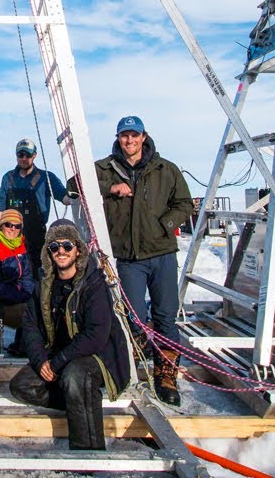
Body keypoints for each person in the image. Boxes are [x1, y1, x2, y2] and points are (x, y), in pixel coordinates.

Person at [93, 115, 194, 407]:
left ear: (144, 137)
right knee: (133, 317)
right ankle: (132, 370)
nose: (130, 141)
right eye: (125, 136)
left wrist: (165, 224)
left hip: (161, 253)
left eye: (134, 135)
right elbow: (74, 186)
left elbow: (185, 203)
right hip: (128, 257)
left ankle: (165, 375)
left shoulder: (165, 169)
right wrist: (110, 189)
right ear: (118, 137)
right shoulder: (104, 169)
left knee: (165, 315)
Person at [10, 219, 130, 450]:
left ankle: (88, 452)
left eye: (67, 246)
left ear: (78, 250)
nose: (61, 252)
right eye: (54, 247)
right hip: (61, 353)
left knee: (74, 376)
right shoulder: (44, 284)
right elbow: (31, 325)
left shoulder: (93, 283)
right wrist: (40, 360)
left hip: (97, 355)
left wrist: (58, 363)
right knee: (22, 385)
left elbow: (96, 334)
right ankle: (80, 401)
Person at [0, 138, 71, 278]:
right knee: (11, 273)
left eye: (28, 155)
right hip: (11, 235)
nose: (24, 158)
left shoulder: (46, 177)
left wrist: (76, 192)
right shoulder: (8, 177)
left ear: (34, 155)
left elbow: (65, 198)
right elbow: (1, 208)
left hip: (37, 235)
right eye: (20, 155)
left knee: (37, 273)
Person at [0, 208, 34, 357]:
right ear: (1, 225)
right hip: (0, 304)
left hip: (20, 297)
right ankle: (23, 347)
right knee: (31, 311)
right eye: (8, 225)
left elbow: (27, 275)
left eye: (17, 226)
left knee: (41, 305)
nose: (12, 229)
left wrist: (27, 293)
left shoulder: (21, 245)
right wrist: (21, 295)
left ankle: (24, 345)